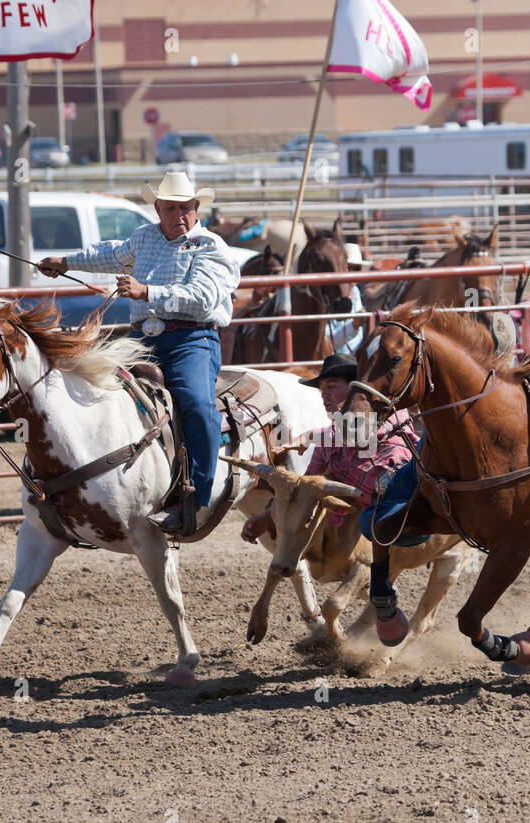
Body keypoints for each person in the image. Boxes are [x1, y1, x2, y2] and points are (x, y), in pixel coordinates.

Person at [37, 171, 239, 535]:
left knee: (196, 404)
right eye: (171, 208)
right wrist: (66, 262)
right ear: (158, 208)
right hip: (141, 340)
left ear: (196, 208)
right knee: (91, 388)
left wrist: (148, 292)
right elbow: (110, 254)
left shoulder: (210, 247)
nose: (179, 216)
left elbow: (203, 297)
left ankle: (198, 498)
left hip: (190, 341)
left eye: (186, 208)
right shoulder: (144, 238)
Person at [240, 353, 422, 547]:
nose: (324, 394)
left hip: (412, 492)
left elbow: (359, 431)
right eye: (322, 388)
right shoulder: (326, 445)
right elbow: (305, 488)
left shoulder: (383, 410)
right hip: (384, 512)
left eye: (332, 386)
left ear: (354, 387)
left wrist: (309, 437)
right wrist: (267, 517)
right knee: (368, 523)